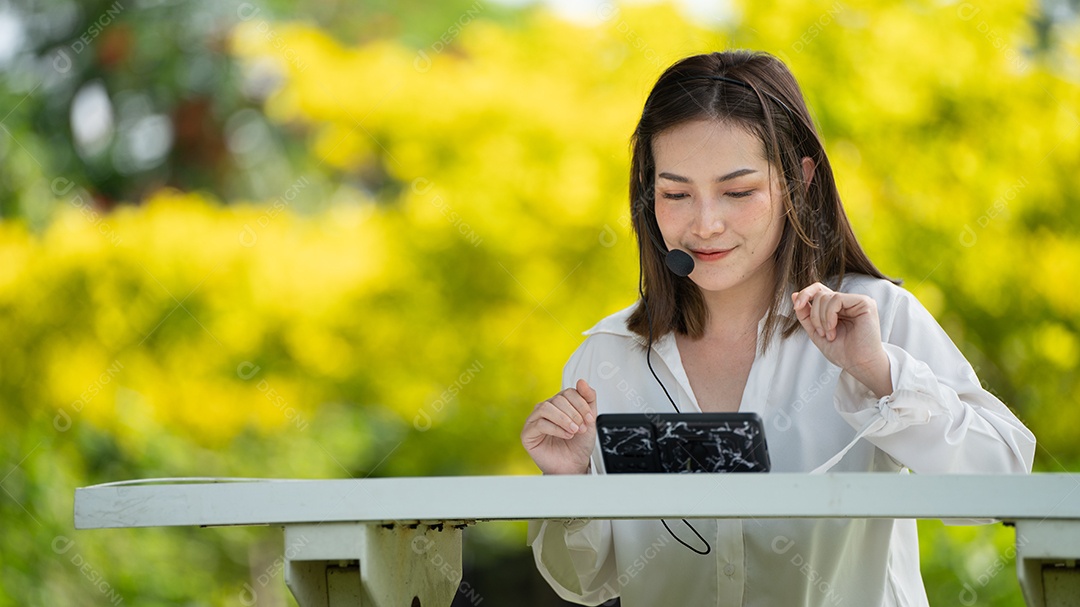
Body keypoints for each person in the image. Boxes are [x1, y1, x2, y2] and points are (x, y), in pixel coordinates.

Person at [519, 50, 1035, 607]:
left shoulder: (878, 317)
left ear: (799, 179)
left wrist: (880, 374)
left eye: (738, 192)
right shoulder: (609, 356)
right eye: (675, 193)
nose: (705, 224)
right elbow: (586, 584)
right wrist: (567, 486)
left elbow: (1003, 483)